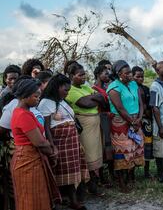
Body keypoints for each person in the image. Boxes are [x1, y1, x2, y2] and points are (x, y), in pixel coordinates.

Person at [38, 74, 90, 210]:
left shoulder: (61, 101)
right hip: (60, 142)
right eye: (65, 90)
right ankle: (63, 200)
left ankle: (72, 199)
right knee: (62, 172)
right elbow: (47, 128)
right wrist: (52, 145)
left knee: (72, 172)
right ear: (56, 88)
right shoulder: (45, 103)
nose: (67, 93)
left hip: (71, 142)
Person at [10, 78, 60, 210]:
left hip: (30, 159)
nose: (38, 99)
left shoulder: (25, 112)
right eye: (35, 96)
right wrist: (52, 153)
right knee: (31, 199)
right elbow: (39, 142)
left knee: (35, 196)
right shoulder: (22, 115)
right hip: (27, 161)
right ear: (25, 96)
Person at [65, 61, 105, 196]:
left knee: (96, 155)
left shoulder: (85, 88)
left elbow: (102, 99)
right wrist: (94, 98)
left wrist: (93, 97)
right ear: (71, 76)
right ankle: (87, 187)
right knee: (88, 156)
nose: (83, 77)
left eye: (84, 75)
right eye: (80, 75)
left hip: (95, 126)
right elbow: (86, 103)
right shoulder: (70, 90)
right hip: (85, 127)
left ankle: (93, 185)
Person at [106, 60, 144, 192]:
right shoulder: (113, 88)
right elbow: (120, 109)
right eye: (126, 73)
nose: (130, 75)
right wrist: (133, 122)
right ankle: (122, 182)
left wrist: (139, 118)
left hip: (136, 120)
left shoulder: (134, 84)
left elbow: (140, 103)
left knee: (135, 148)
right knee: (123, 151)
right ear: (119, 74)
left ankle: (130, 178)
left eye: (130, 72)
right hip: (121, 122)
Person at [92, 65, 113, 185]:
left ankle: (111, 174)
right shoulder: (94, 89)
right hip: (101, 119)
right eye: (105, 73)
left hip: (108, 118)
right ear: (98, 74)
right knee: (102, 147)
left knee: (109, 146)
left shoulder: (106, 88)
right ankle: (101, 177)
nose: (108, 76)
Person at [132, 66, 154, 179]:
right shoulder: (130, 89)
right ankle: (132, 173)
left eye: (142, 76)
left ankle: (146, 171)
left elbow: (149, 106)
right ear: (132, 76)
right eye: (138, 76)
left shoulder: (146, 89)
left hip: (147, 122)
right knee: (134, 145)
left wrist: (147, 113)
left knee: (147, 145)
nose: (141, 79)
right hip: (134, 121)